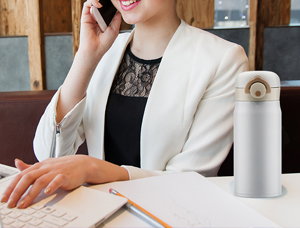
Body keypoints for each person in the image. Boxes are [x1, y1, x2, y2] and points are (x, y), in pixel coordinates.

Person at [1, 0, 249, 209]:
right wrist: (86, 57)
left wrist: (93, 168)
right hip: (96, 212)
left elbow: (191, 179)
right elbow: (48, 153)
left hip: (168, 214)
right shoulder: (104, 51)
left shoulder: (223, 59)